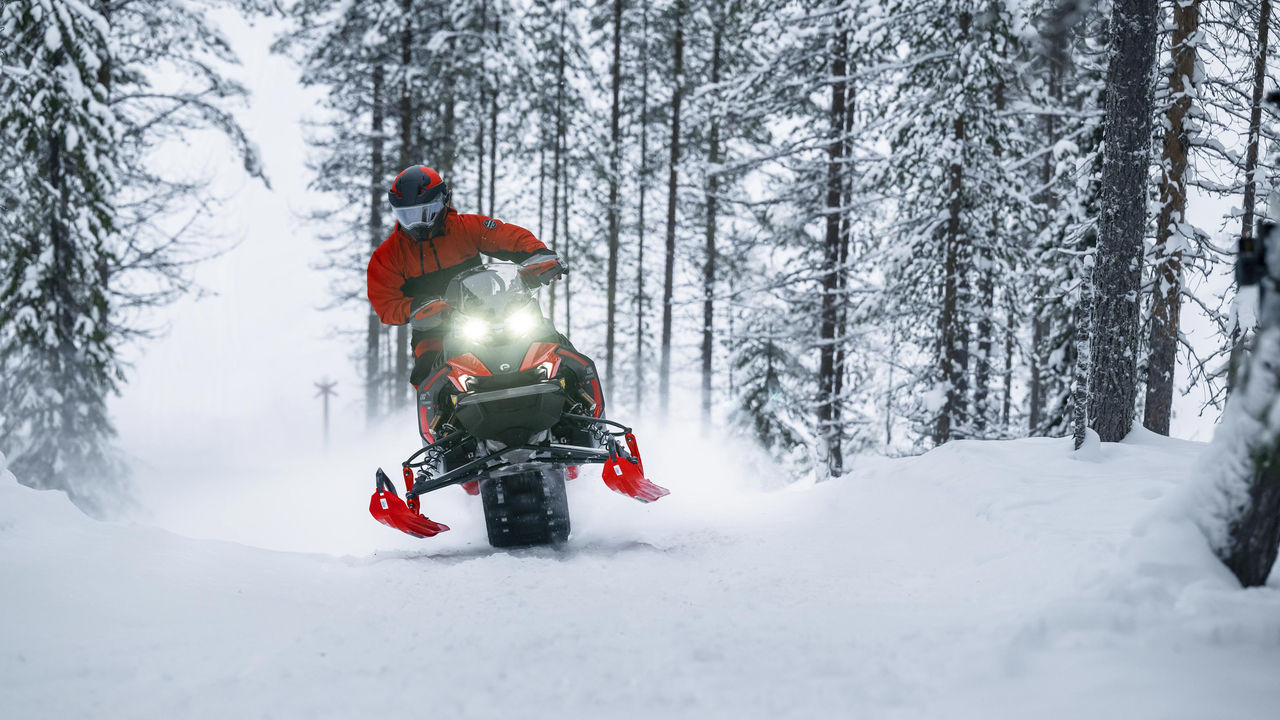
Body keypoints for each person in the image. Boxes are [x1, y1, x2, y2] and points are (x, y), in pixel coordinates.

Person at [366, 165, 567, 387]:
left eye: (426, 212)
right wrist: (417, 307)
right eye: (408, 216)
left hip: (488, 310)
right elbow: (385, 302)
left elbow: (507, 236)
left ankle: (583, 401)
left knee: (549, 337)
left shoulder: (465, 227)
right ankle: (438, 419)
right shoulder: (388, 256)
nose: (418, 223)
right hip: (436, 327)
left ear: (443, 202)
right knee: (426, 372)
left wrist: (539, 255)